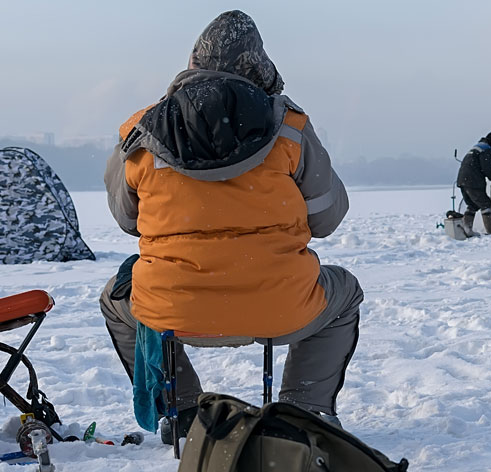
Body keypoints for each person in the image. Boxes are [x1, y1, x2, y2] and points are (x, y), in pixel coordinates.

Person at [99, 10, 363, 443]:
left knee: (117, 298)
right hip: (281, 306)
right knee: (344, 290)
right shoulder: (290, 128)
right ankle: (304, 411)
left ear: (193, 63)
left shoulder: (141, 131)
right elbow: (327, 218)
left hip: (173, 311)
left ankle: (182, 410)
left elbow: (127, 219)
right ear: (258, 64)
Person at [456, 129, 491, 235]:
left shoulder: (477, 147)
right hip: (473, 181)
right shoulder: (486, 149)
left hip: (462, 179)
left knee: (472, 205)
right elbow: (486, 168)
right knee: (486, 204)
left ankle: (467, 229)